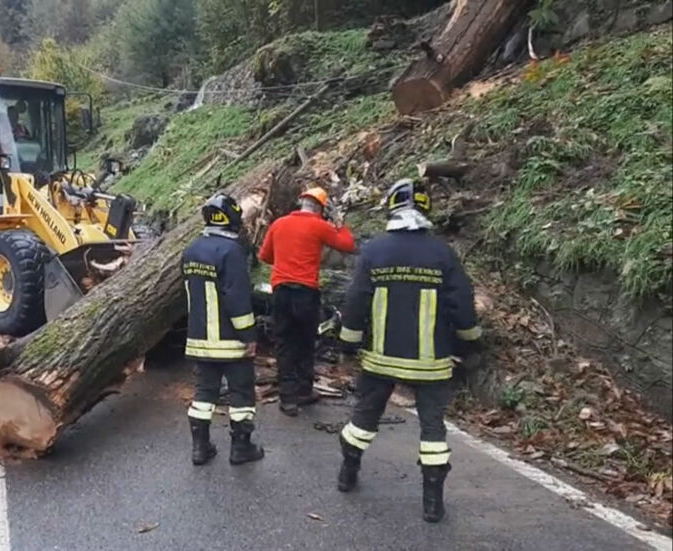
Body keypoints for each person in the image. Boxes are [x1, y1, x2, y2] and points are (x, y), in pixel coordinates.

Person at [335, 179, 481, 523]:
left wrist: (348, 341)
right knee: (432, 429)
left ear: (390, 207)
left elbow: (356, 301)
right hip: (430, 364)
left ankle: (347, 472)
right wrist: (471, 342)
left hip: (381, 360)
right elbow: (462, 304)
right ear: (425, 209)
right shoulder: (442, 253)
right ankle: (432, 502)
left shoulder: (374, 251)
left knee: (364, 417)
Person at [257, 186, 356, 416]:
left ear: (301, 204)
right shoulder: (319, 226)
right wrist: (340, 223)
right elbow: (348, 245)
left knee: (284, 342)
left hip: (281, 291)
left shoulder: (279, 224)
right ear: (321, 209)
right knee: (306, 340)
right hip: (306, 293)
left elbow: (264, 256)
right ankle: (304, 389)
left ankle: (288, 398)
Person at [182, 193, 264, 466]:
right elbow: (237, 298)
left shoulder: (191, 250)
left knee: (204, 393)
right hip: (231, 342)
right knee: (241, 394)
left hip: (199, 340)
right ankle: (241, 449)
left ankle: (199, 449)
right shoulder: (231, 252)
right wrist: (249, 336)